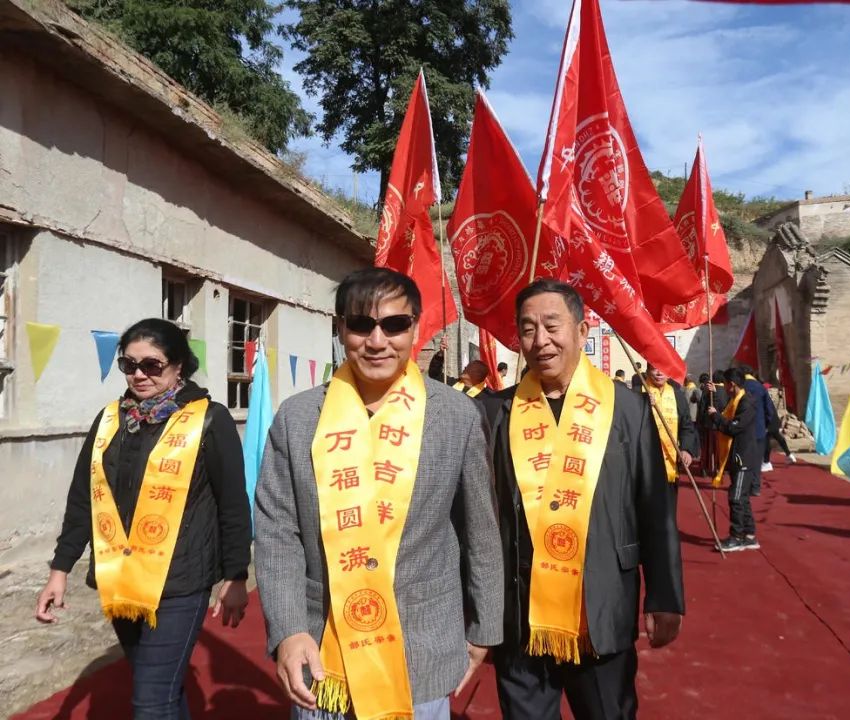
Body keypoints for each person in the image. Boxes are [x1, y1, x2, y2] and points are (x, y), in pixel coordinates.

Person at [255, 268, 503, 720]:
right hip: (322, 647)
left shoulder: (455, 415)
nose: (376, 340)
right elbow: (277, 533)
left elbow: (480, 530)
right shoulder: (297, 418)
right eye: (360, 325)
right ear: (340, 328)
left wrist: (484, 628)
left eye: (394, 325)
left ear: (416, 327)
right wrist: (288, 629)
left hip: (420, 643)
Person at [484, 279, 683, 719]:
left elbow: (655, 507)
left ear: (582, 330)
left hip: (600, 608)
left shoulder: (627, 409)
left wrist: (665, 596)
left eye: (552, 325)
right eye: (528, 328)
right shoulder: (496, 413)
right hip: (521, 616)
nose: (541, 340)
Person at [36, 318, 251, 719]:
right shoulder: (109, 421)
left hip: (180, 581)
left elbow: (233, 503)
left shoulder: (208, 419)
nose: (139, 374)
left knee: (151, 701)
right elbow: (84, 497)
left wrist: (236, 574)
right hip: (120, 578)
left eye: (152, 365)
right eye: (129, 365)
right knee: (163, 690)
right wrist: (59, 570)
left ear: (178, 367)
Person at [707, 368, 760, 552]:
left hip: (744, 456)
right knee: (742, 497)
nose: (725, 388)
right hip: (737, 455)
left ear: (732, 385)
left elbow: (733, 427)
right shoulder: (733, 401)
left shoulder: (747, 403)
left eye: (726, 385)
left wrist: (716, 417)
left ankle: (737, 536)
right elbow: (726, 415)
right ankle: (749, 534)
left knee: (736, 497)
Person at [643, 363, 699, 499]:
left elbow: (687, 426)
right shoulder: (639, 393)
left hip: (671, 461)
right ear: (647, 371)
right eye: (654, 369)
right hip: (644, 462)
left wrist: (686, 449)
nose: (659, 373)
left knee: (668, 505)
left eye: (662, 369)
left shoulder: (677, 396)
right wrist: (642, 403)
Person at [739, 367, 774, 491]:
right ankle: (756, 486)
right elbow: (769, 409)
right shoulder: (761, 388)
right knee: (757, 458)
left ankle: (744, 485)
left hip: (744, 428)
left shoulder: (741, 387)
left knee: (745, 459)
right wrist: (767, 424)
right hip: (759, 427)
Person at [762, 384, 797, 466]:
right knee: (778, 437)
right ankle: (789, 454)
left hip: (770, 421)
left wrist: (767, 424)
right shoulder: (767, 398)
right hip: (774, 421)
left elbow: (768, 412)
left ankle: (766, 462)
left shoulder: (763, 398)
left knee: (767, 440)